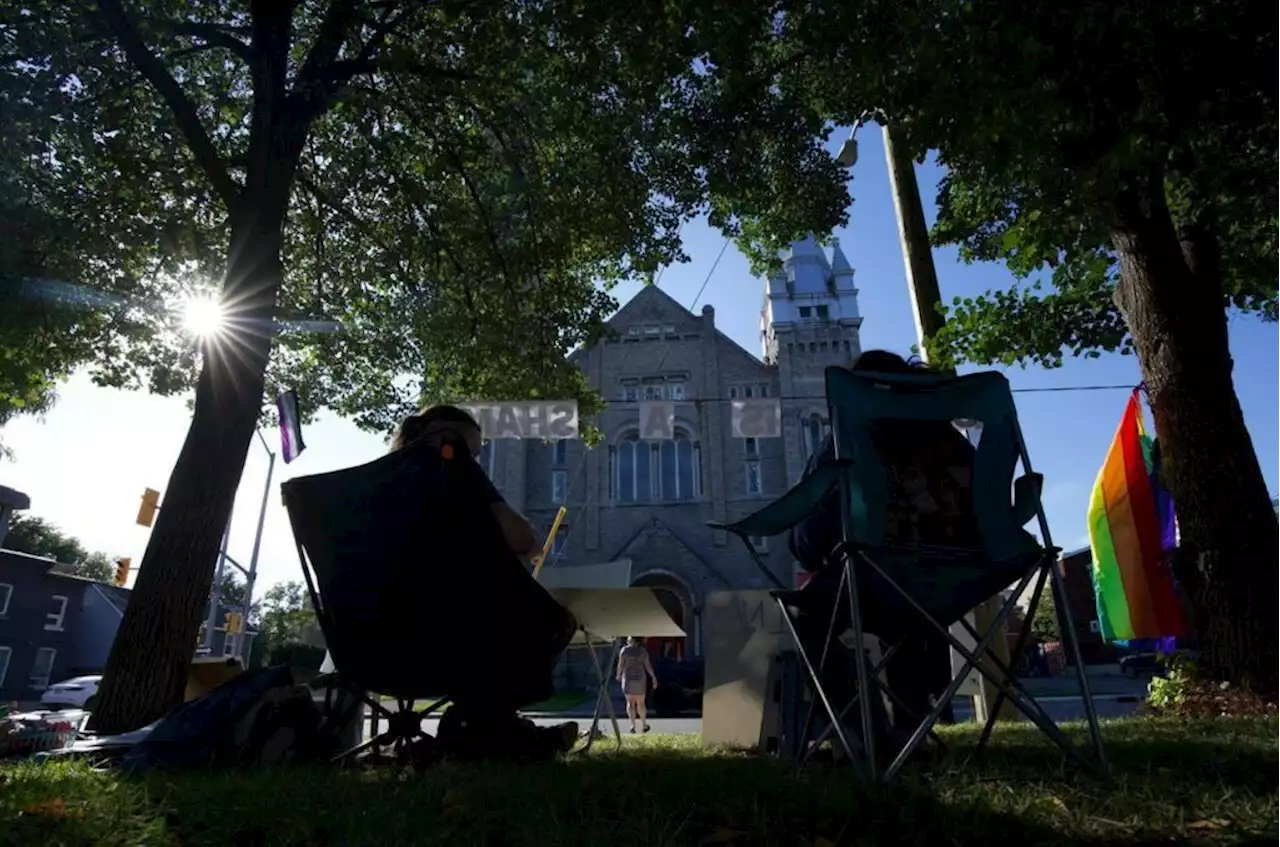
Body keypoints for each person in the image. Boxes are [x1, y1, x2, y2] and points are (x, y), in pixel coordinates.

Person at [788, 350, 974, 760]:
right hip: (964, 577)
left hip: (879, 571)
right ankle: (912, 731)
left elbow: (810, 529)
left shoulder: (848, 431)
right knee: (905, 615)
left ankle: (857, 732)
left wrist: (807, 550)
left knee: (812, 617)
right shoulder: (947, 436)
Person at [391, 404, 579, 760]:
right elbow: (525, 541)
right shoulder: (455, 472)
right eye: (474, 453)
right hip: (447, 639)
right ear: (450, 442)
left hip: (372, 640)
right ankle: (485, 731)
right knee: (553, 619)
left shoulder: (373, 485)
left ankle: (485, 729)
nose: (475, 461)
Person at [616, 636, 658, 733]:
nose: (627, 639)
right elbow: (647, 665)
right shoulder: (642, 651)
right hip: (640, 679)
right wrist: (653, 677)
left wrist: (618, 675)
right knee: (641, 703)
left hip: (628, 679)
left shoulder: (624, 651)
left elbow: (620, 665)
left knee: (630, 703)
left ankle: (632, 725)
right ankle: (643, 724)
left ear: (632, 639)